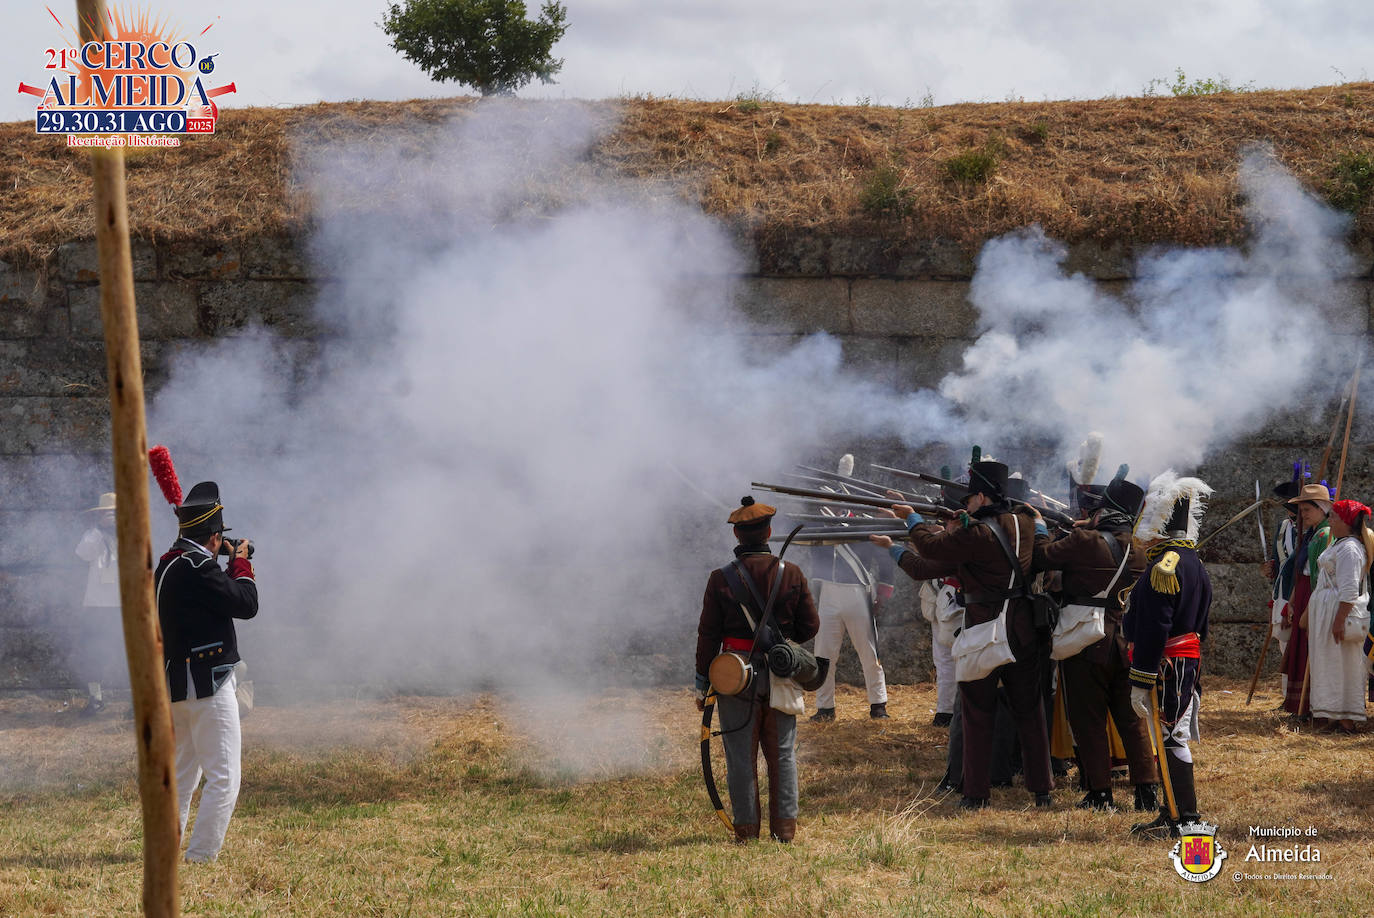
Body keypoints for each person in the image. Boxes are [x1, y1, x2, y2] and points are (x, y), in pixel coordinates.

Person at [881, 460, 1053, 810]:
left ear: (981, 497)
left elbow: (930, 551)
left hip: (984, 625)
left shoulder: (977, 533)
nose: (967, 504)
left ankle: (976, 794)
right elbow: (1040, 547)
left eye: (970, 498)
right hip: (1022, 627)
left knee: (977, 710)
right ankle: (1042, 790)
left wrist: (910, 519)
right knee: (1030, 711)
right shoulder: (1024, 524)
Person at [695, 496, 818, 843]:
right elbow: (811, 627)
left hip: (733, 676)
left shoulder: (720, 579)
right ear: (768, 531)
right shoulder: (790, 573)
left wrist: (702, 682)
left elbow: (708, 635)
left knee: (739, 757)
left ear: (736, 534)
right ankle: (785, 831)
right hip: (780, 672)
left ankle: (747, 831)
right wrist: (782, 640)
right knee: (783, 754)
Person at [1033, 474, 1158, 812]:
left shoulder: (1084, 540)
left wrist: (1042, 527)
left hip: (1087, 642)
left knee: (1088, 720)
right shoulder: (1139, 549)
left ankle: (1100, 793)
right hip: (1126, 642)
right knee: (1131, 719)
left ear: (1103, 512)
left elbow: (1043, 556)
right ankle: (1146, 790)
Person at [155, 481, 258, 863]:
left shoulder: (171, 562)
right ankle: (200, 857)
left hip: (180, 687)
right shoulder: (198, 566)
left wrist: (224, 560)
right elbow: (247, 603)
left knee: (183, 779)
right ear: (214, 537)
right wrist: (241, 562)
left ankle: (167, 848)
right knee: (225, 779)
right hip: (208, 686)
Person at [1124, 471, 1213, 839]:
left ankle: (1185, 819)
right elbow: (1202, 625)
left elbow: (1155, 628)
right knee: (1169, 735)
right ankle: (1172, 812)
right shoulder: (1193, 562)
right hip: (1184, 661)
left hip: (1166, 664)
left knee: (1171, 736)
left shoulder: (1166, 565)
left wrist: (1141, 675)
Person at [807, 454, 896, 721]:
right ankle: (825, 707)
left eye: (833, 499)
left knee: (868, 651)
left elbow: (883, 558)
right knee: (824, 654)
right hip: (829, 593)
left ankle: (878, 704)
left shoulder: (863, 521)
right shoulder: (817, 524)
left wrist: (882, 592)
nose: (828, 505)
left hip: (857, 590)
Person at [1306, 498, 1373, 733]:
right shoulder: (1339, 544)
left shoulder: (1350, 549)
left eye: (1334, 516)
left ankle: (1347, 719)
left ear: (1345, 521)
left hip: (1339, 613)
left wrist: (1338, 620)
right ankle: (1333, 714)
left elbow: (1349, 590)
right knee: (1329, 663)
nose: (1330, 519)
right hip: (1327, 611)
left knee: (1344, 664)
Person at [1279, 483, 1334, 719]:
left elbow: (1321, 574)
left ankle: (1310, 705)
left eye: (1307, 510)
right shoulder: (1311, 534)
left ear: (1321, 508)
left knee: (1310, 647)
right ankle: (1299, 705)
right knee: (1300, 645)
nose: (1303, 515)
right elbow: (1300, 569)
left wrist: (1311, 602)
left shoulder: (1325, 534)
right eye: (1301, 511)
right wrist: (1292, 599)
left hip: (1314, 594)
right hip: (1302, 592)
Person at [73, 491, 122, 714]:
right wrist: (98, 529)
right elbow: (82, 554)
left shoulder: (131, 532)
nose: (110, 518)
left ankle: (136, 701)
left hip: (124, 604)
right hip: (96, 605)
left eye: (113, 514)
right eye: (106, 514)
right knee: (91, 652)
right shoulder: (92, 535)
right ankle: (96, 698)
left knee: (129, 653)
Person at [1262, 477, 1302, 692]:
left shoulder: (1312, 530)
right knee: (1284, 644)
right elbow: (1278, 560)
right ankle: (1288, 696)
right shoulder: (1282, 526)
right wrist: (1271, 569)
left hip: (1301, 594)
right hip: (1281, 593)